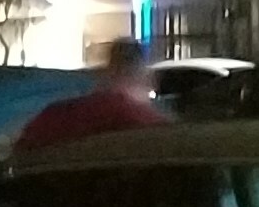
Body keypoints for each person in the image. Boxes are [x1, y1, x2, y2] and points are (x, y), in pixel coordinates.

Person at [15, 38, 169, 153]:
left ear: (105, 72)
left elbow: (20, 156)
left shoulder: (55, 116)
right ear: (144, 78)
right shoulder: (150, 126)